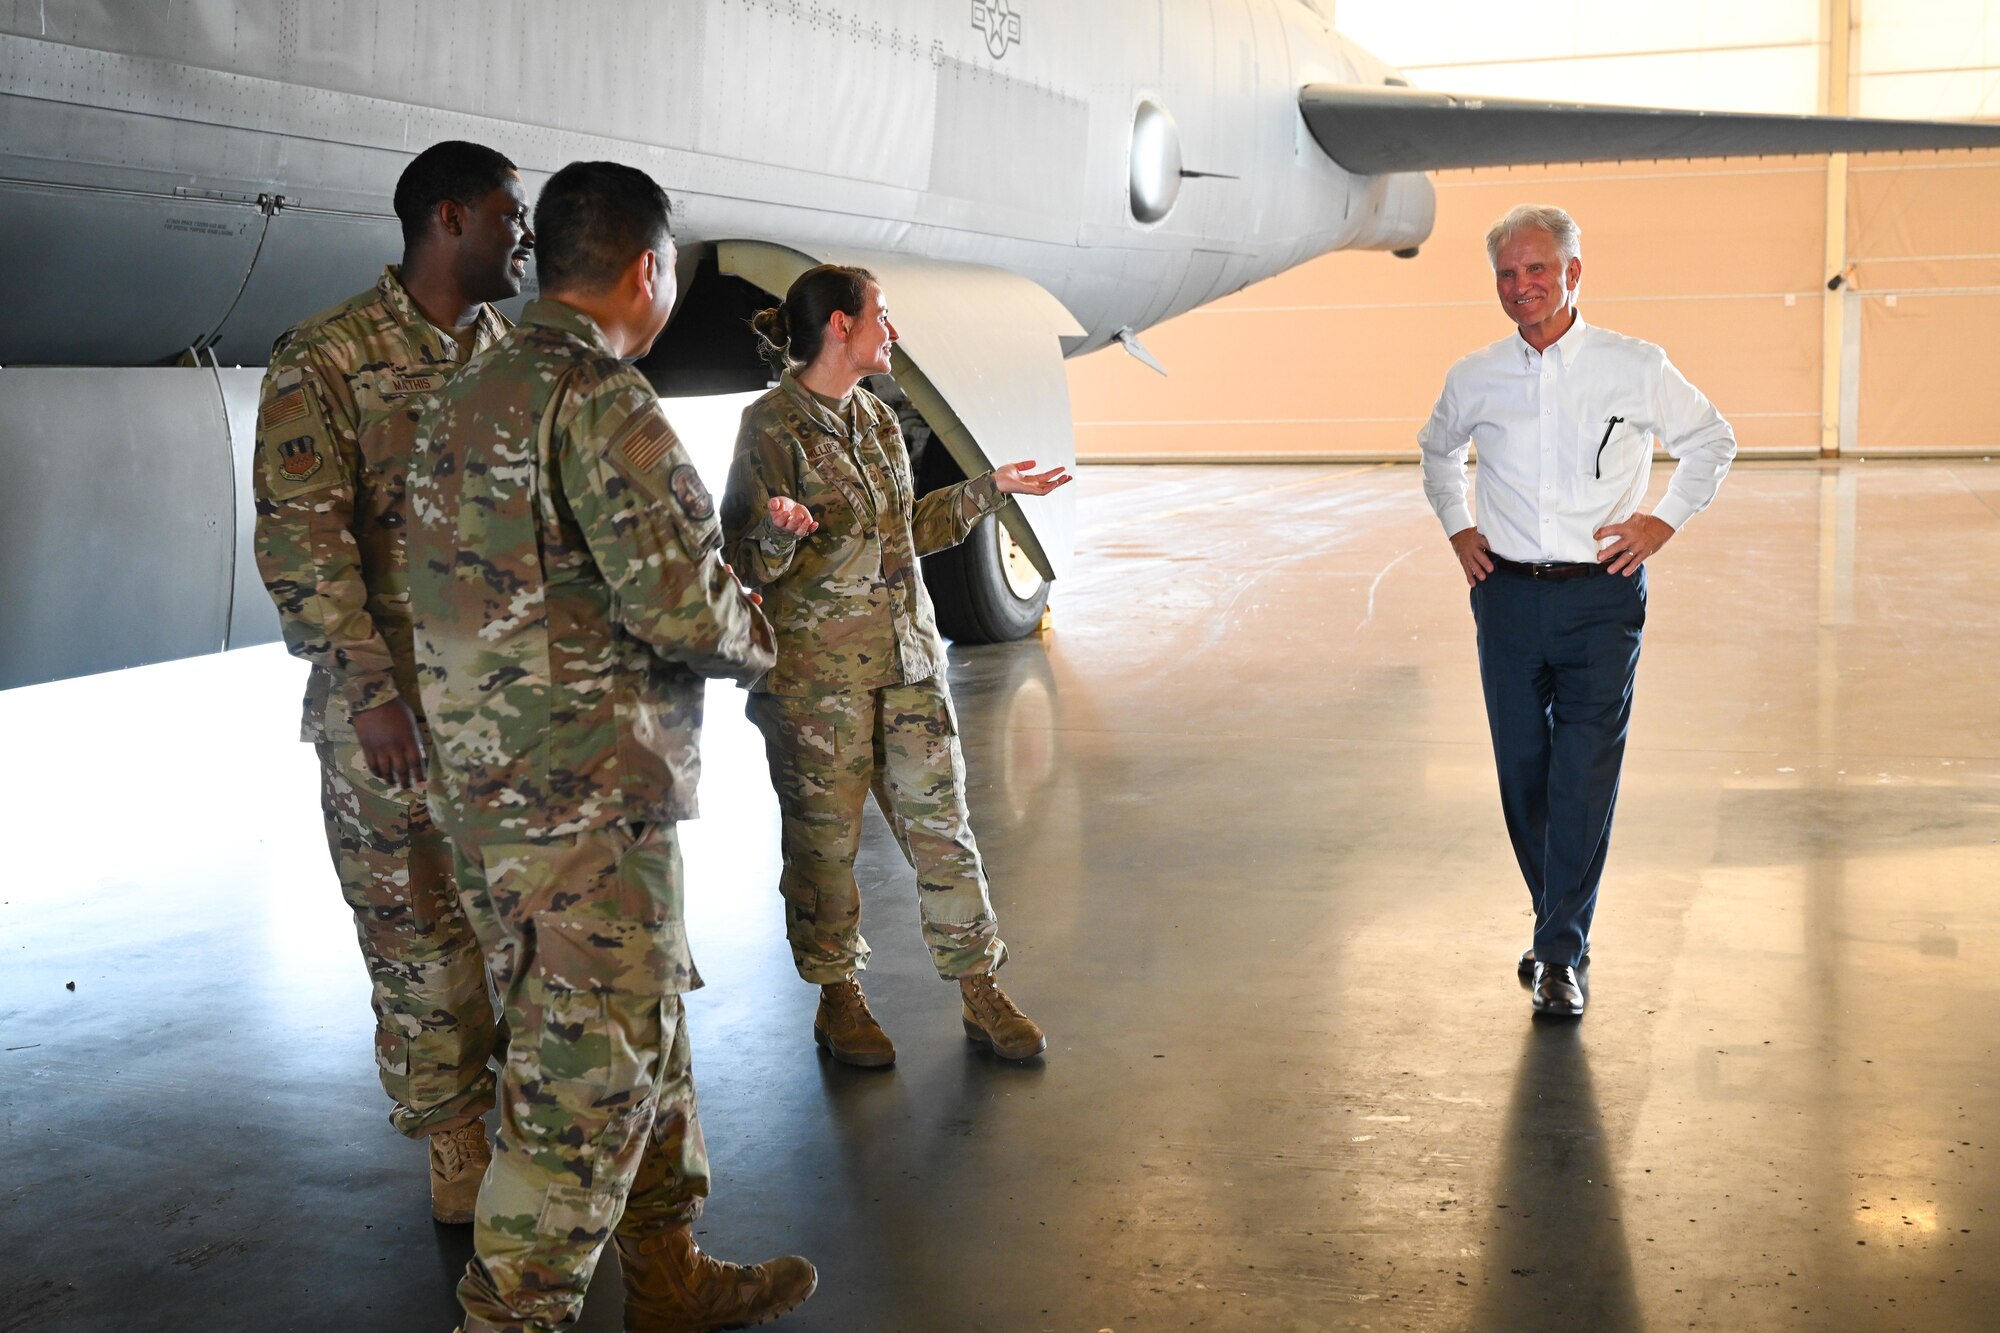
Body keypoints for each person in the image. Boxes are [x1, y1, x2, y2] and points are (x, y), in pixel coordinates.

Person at [408, 159, 816, 1333]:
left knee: (643, 1033)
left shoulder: (466, 388)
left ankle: (668, 1272)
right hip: (585, 806)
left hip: (492, 795)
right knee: (583, 1090)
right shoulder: (599, 402)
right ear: (648, 268)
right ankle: (510, 1318)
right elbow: (688, 609)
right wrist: (764, 638)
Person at [252, 139, 531, 1222]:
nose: (525, 237)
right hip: (396, 714)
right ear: (449, 219)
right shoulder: (325, 359)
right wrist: (369, 694)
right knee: (418, 934)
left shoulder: (519, 357)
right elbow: (305, 547)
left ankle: (530, 1118)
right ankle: (454, 1138)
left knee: (524, 926)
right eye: (511, 216)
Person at [720, 264, 1070, 1067]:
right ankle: (838, 997)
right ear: (841, 327)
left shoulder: (877, 422)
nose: (895, 329)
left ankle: (980, 987)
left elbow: (907, 528)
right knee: (824, 848)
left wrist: (990, 490)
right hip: (817, 685)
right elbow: (743, 559)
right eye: (884, 314)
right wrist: (778, 529)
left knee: (944, 832)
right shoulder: (768, 427)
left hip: (908, 668)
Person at [1417, 204, 1736, 1019]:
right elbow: (1437, 448)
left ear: (1572, 274)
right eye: (1507, 274)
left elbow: (1711, 438)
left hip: (1602, 598)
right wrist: (1460, 530)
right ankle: (1558, 922)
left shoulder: (1633, 365)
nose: (1521, 287)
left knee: (1585, 776)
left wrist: (1660, 522)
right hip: (1510, 598)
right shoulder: (1475, 375)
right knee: (1525, 774)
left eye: (1536, 270)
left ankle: (1559, 953)